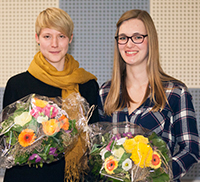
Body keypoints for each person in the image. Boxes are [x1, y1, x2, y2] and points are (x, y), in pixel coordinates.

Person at [98, 9, 200, 181]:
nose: (129, 44)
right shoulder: (106, 93)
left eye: (137, 37)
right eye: (123, 38)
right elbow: (98, 149)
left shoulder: (175, 92)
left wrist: (157, 175)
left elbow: (191, 150)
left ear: (150, 40)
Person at [3, 7, 99, 182]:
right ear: (37, 38)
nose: (54, 44)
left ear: (70, 38)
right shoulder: (17, 85)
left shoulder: (87, 86)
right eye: (47, 36)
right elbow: (9, 144)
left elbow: (94, 145)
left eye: (61, 36)